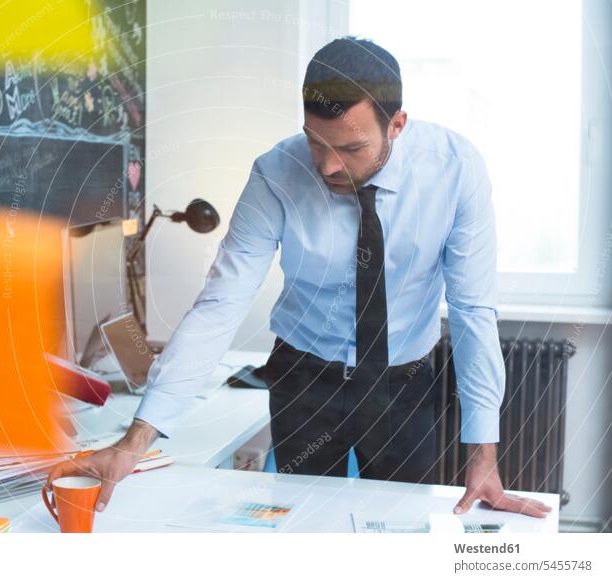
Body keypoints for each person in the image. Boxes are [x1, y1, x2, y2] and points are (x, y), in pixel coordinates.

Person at [47, 36, 552, 519]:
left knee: (399, 532)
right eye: (316, 142)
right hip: (305, 378)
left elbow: (472, 312)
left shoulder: (456, 170)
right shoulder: (275, 174)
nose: (328, 165)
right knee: (299, 526)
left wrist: (483, 457)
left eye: (351, 148)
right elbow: (221, 304)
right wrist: (135, 441)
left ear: (396, 124)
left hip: (406, 382)